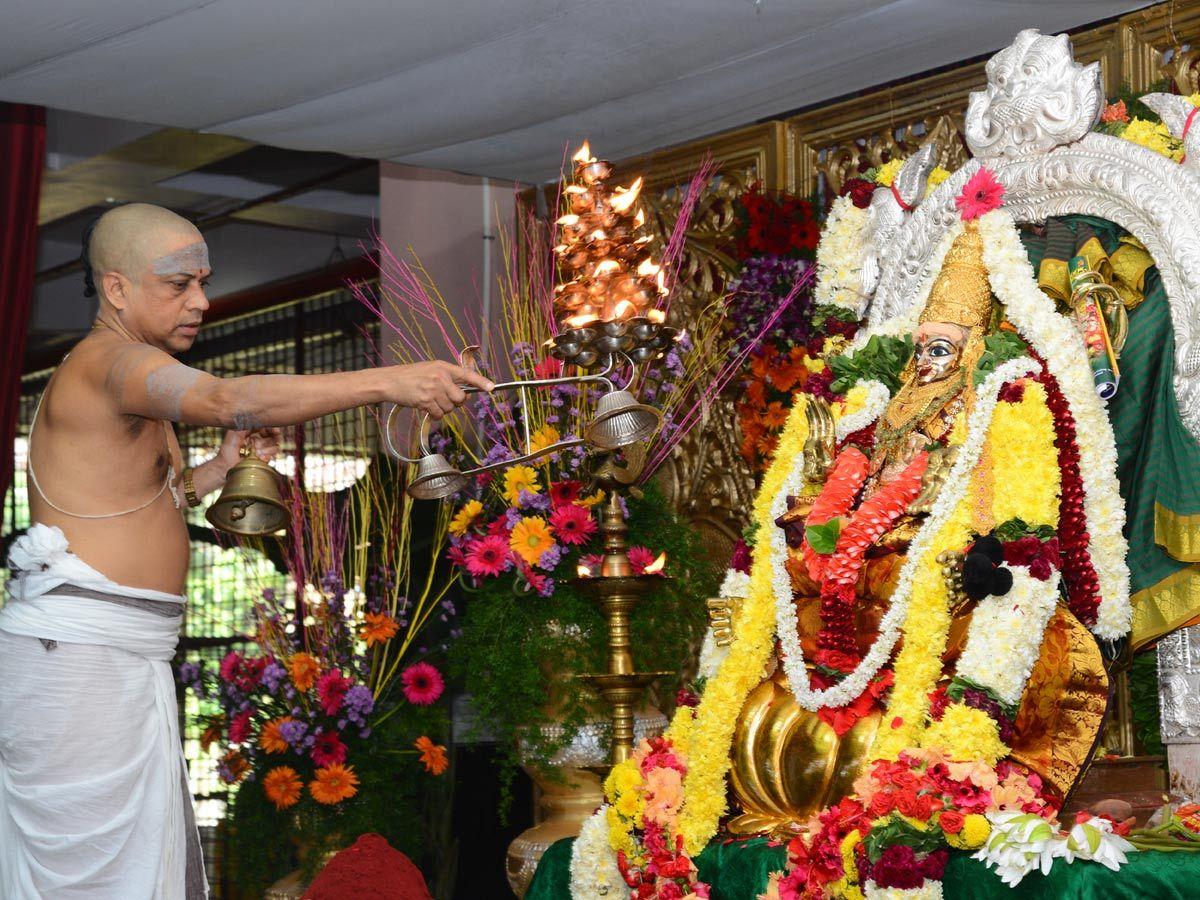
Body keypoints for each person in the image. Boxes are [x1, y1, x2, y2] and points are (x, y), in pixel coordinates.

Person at [0, 203, 492, 899]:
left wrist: (213, 469)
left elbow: (144, 503)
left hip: (117, 658)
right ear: (116, 289)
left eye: (203, 281)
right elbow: (232, 397)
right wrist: (388, 381)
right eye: (178, 284)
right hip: (80, 659)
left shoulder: (131, 379)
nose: (200, 301)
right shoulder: (111, 364)